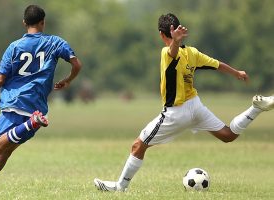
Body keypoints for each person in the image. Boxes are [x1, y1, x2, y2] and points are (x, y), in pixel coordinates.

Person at [94, 13, 274, 192]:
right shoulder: (192, 52)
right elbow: (216, 64)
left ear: (160, 34)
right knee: (228, 135)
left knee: (138, 145)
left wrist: (175, 42)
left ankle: (120, 187)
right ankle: (255, 108)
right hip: (195, 106)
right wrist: (236, 73)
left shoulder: (167, 52)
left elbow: (173, 52)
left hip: (176, 112)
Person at [0, 5, 82, 191]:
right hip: (37, 107)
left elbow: (0, 78)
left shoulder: (14, 47)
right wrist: (68, 80)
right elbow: (77, 64)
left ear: (24, 23)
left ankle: (30, 123)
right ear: (43, 22)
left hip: (15, 103)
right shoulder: (55, 42)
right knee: (3, 156)